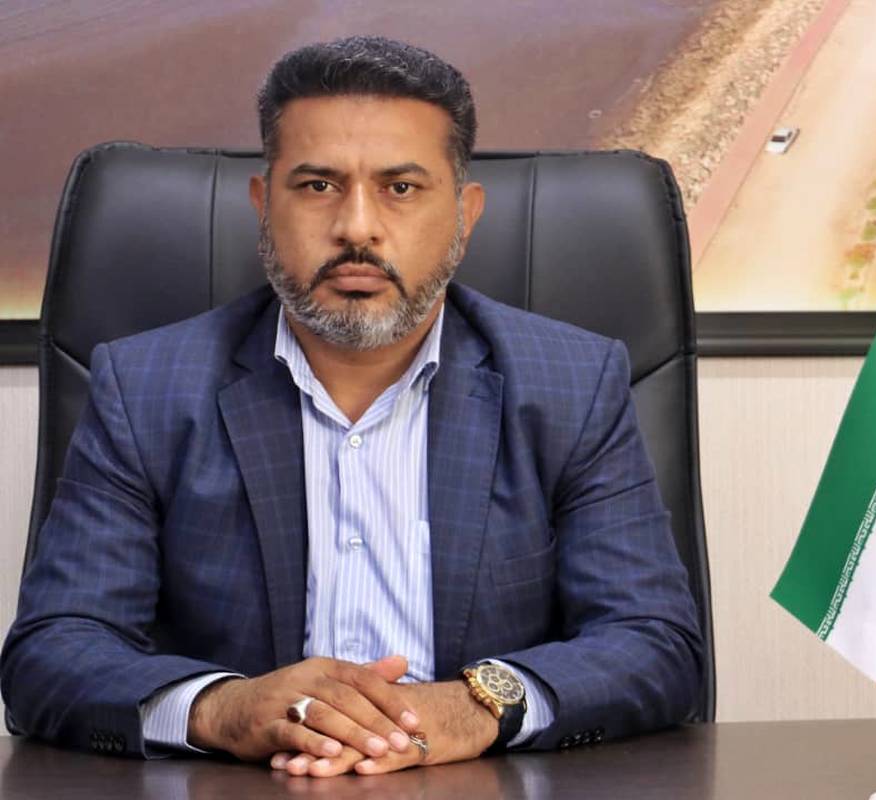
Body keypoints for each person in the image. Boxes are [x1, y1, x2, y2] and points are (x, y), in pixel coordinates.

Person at [0, 36, 702, 779]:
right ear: (263, 207)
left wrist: (475, 706)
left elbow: (653, 641)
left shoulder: (570, 384)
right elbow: (54, 650)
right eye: (317, 185)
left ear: (464, 216)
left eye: (400, 188)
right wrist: (225, 708)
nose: (357, 227)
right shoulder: (146, 388)